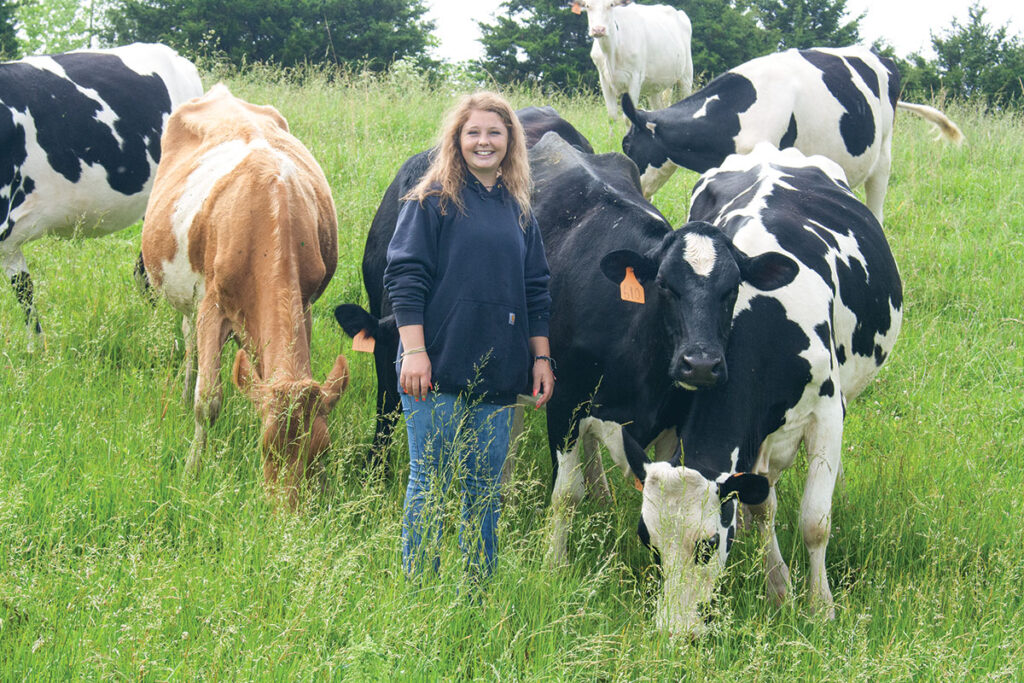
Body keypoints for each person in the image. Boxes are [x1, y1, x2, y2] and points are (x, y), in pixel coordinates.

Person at [383, 91, 554, 582]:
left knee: (484, 488)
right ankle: (420, 587)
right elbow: (405, 278)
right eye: (473, 132)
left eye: (494, 133)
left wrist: (541, 360)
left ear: (510, 142)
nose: (484, 142)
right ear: (456, 139)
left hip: (499, 369)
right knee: (429, 482)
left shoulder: (519, 211)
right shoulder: (430, 200)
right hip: (433, 366)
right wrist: (413, 352)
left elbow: (537, 290)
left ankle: (476, 590)